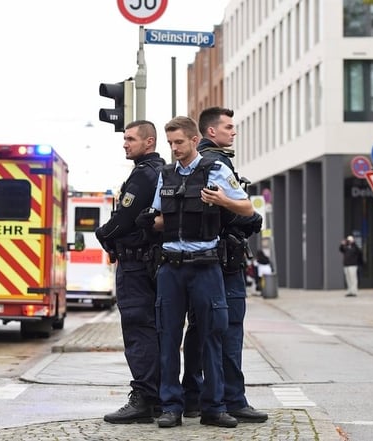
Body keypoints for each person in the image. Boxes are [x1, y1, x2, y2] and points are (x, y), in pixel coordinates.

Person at [138, 115, 254, 429]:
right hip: (171, 269)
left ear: (193, 140)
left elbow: (248, 209)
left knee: (212, 337)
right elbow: (161, 218)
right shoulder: (165, 175)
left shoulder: (215, 169)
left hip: (206, 267)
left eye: (179, 142)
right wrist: (148, 221)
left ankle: (214, 408)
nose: (174, 148)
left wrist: (222, 200)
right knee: (168, 337)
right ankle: (171, 407)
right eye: (170, 143)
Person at [179, 106, 269, 425]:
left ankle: (194, 397)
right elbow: (227, 210)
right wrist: (252, 218)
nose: (234, 131)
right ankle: (233, 399)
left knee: (200, 330)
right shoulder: (216, 162)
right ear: (211, 132)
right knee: (228, 330)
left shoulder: (195, 161)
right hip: (224, 262)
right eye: (229, 127)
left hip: (201, 262)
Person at [95, 120, 165, 424]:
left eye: (130, 139)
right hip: (150, 263)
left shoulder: (143, 175)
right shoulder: (158, 171)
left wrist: (102, 234)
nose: (125, 143)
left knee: (139, 330)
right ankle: (160, 396)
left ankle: (144, 399)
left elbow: (123, 219)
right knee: (155, 330)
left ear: (148, 142)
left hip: (136, 265)